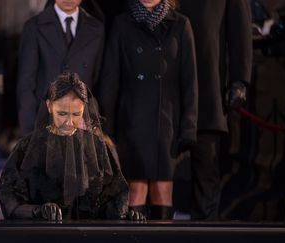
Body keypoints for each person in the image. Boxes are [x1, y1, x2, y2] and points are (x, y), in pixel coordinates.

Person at [98, 0, 198, 220]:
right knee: (135, 189)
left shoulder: (180, 25)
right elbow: (110, 81)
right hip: (131, 123)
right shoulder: (122, 24)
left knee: (163, 190)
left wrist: (188, 128)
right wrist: (106, 129)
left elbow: (190, 83)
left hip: (167, 124)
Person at [0, 72, 130, 221]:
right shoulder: (28, 148)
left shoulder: (97, 147)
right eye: (62, 113)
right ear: (49, 106)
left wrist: (123, 213)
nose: (69, 122)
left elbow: (114, 192)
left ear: (84, 108)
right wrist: (36, 211)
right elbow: (10, 195)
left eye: (76, 114)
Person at [178, 0, 252, 220]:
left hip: (208, 90)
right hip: (166, 90)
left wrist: (239, 79)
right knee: (158, 180)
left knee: (206, 175)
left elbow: (240, 25)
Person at [17, 0, 105, 135]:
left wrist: (94, 122)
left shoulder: (96, 28)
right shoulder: (34, 27)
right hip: (44, 121)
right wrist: (28, 130)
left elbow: (97, 79)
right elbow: (26, 83)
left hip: (81, 123)